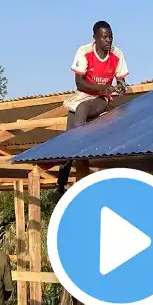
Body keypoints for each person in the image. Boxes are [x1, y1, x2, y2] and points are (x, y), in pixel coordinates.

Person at [57, 20, 129, 193]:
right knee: (69, 138)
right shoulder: (84, 52)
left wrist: (121, 86)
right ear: (95, 38)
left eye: (110, 37)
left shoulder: (117, 55)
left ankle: (82, 154)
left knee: (82, 110)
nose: (108, 40)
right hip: (83, 94)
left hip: (101, 99)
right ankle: (61, 184)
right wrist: (103, 86)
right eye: (104, 37)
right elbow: (79, 82)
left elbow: (121, 80)